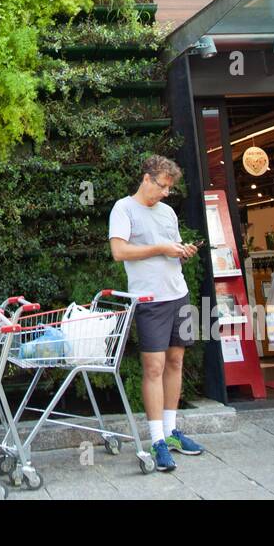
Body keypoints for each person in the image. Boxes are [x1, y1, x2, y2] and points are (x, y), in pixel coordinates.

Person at [108, 154, 203, 472]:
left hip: (179, 294)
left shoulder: (168, 212)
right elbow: (119, 252)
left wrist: (182, 251)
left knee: (176, 362)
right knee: (153, 367)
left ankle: (172, 432)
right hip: (149, 300)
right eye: (162, 186)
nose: (165, 193)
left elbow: (172, 249)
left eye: (169, 189)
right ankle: (157, 439)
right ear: (147, 178)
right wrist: (162, 248)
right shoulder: (123, 208)